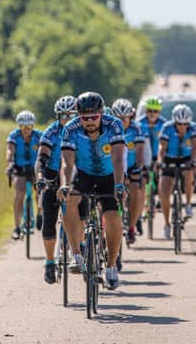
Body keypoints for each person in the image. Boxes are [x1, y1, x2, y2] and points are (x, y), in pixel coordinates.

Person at [58, 92, 127, 290]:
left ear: (101, 114)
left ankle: (112, 267)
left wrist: (119, 185)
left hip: (109, 175)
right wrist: (64, 184)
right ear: (78, 116)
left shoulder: (114, 125)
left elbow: (117, 158)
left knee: (113, 217)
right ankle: (76, 254)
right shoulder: (71, 128)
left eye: (94, 118)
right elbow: (67, 161)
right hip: (84, 174)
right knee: (69, 200)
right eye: (84, 118)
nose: (89, 122)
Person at [35, 95, 77, 284]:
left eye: (71, 115)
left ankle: (81, 246)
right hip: (52, 176)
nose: (67, 120)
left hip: (75, 175)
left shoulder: (81, 131)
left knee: (81, 213)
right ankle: (50, 262)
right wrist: (41, 178)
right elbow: (41, 158)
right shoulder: (51, 132)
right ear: (57, 116)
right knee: (48, 223)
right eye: (63, 116)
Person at [157, 103, 196, 239]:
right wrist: (160, 162)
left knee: (189, 173)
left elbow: (194, 149)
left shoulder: (193, 128)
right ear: (174, 122)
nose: (182, 127)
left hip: (185, 158)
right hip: (169, 158)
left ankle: (188, 204)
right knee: (164, 191)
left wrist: (193, 162)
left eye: (185, 124)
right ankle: (167, 224)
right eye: (179, 124)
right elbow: (162, 149)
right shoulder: (167, 128)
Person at [111, 98, 145, 246]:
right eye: (118, 118)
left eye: (125, 118)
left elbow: (140, 151)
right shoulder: (108, 128)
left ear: (130, 116)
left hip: (131, 167)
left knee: (136, 189)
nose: (122, 121)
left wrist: (137, 169)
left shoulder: (136, 128)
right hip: (113, 168)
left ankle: (131, 226)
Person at [5, 110, 42, 240]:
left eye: (29, 127)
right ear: (18, 126)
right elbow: (10, 151)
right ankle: (16, 227)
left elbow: (45, 150)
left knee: (40, 191)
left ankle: (40, 214)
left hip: (35, 168)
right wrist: (10, 164)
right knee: (19, 193)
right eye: (22, 127)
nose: (26, 130)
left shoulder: (39, 136)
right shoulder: (14, 135)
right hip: (19, 168)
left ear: (33, 125)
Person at [138, 97, 168, 231]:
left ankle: (160, 201)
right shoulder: (139, 123)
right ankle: (144, 204)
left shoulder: (164, 124)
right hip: (144, 157)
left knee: (161, 181)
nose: (152, 113)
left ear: (159, 112)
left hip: (159, 157)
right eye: (150, 110)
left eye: (155, 111)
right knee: (143, 182)